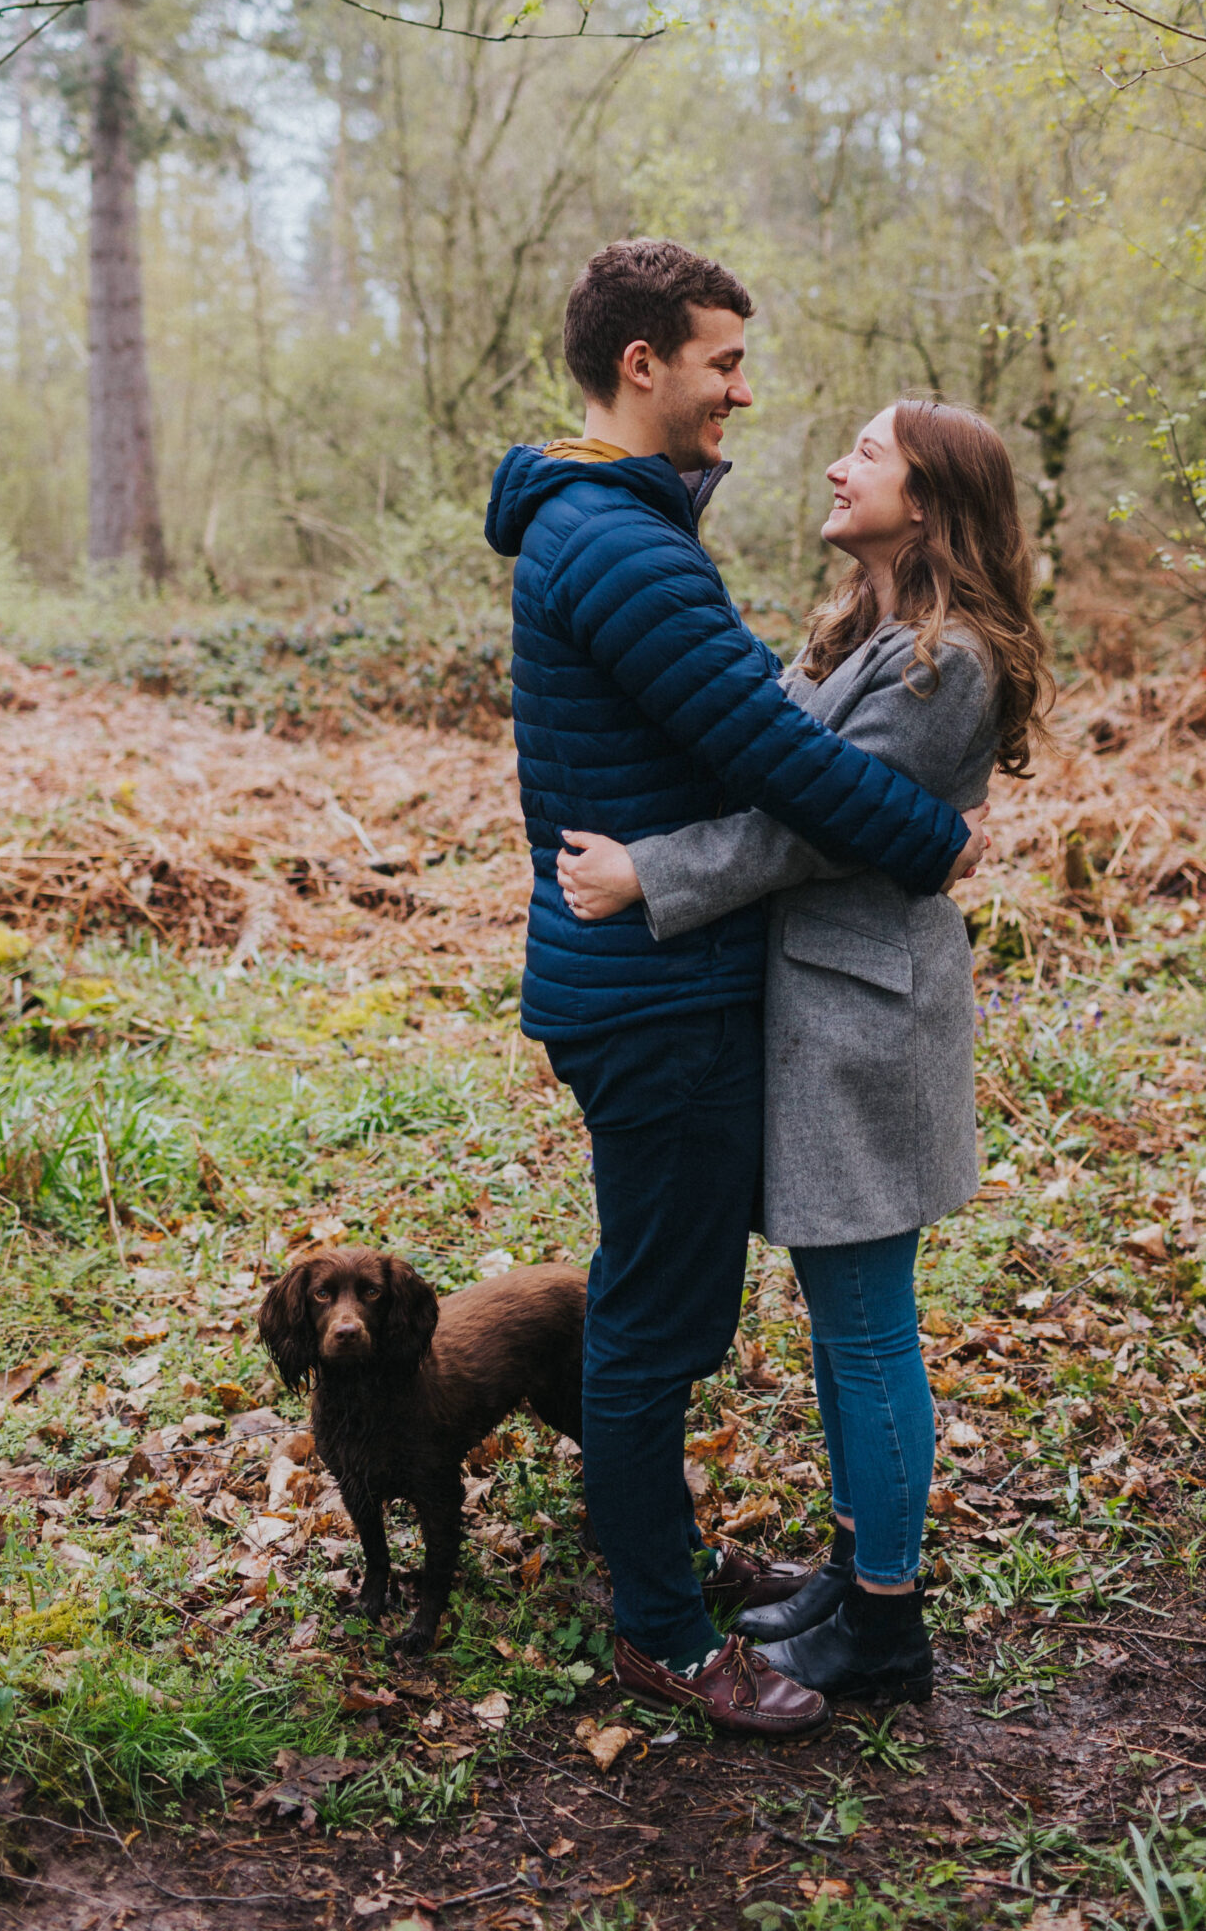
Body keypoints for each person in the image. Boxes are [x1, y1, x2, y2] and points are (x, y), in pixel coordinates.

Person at [485, 242, 987, 1738]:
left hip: (661, 984)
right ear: (642, 365)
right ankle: (662, 1628)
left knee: (670, 1311)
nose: (744, 393)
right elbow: (781, 767)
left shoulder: (617, 529)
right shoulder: (625, 549)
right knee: (658, 1324)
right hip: (651, 997)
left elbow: (749, 733)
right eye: (720, 363)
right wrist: (934, 839)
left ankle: (692, 1573)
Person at [558, 396, 1052, 1705]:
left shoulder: (947, 662)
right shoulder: (864, 631)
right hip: (820, 1012)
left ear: (932, 499)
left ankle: (887, 1627)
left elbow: (808, 829)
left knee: (870, 1327)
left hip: (867, 1021)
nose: (838, 466)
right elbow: (757, 761)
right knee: (844, 1328)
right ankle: (854, 1567)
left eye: (870, 453)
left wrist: (647, 874)